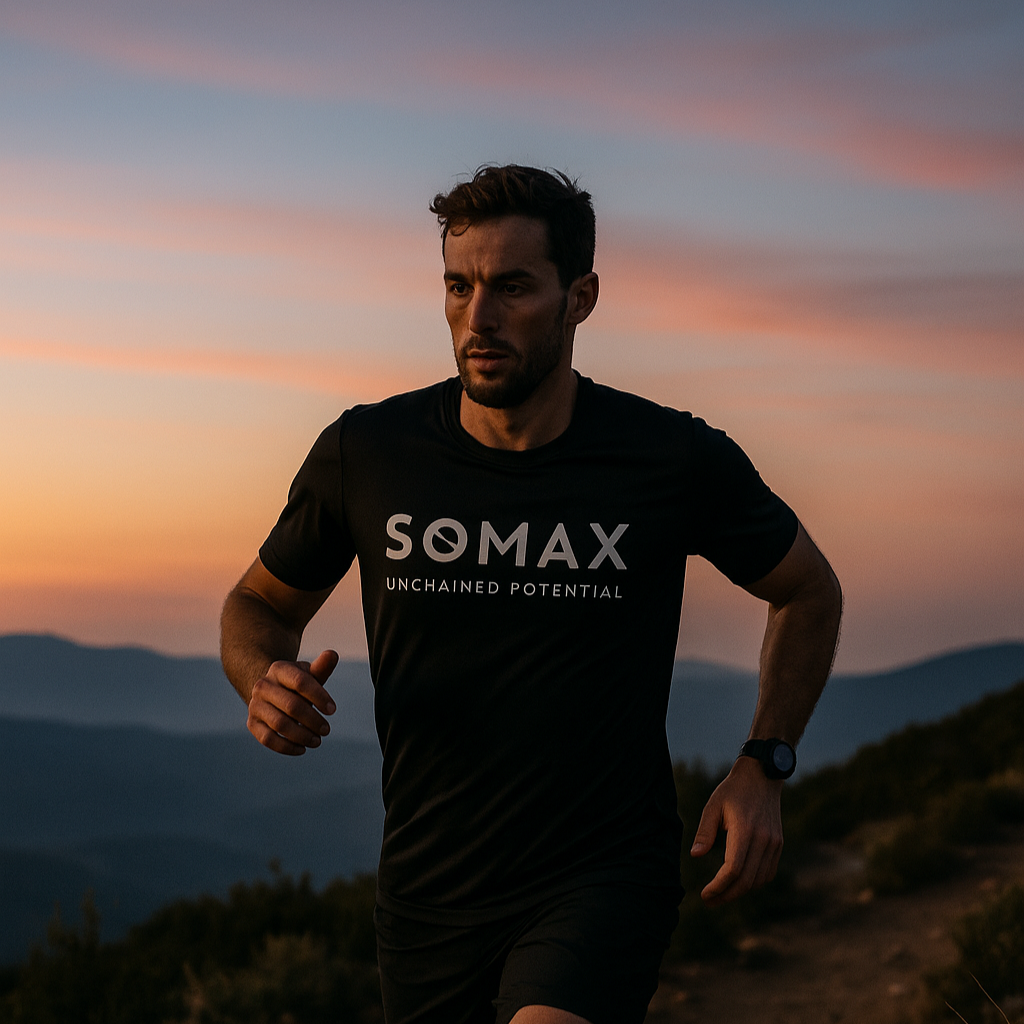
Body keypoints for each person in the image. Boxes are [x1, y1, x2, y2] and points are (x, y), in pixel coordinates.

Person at [220, 164, 843, 1024]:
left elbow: (808, 591)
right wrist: (261, 678)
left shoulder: (669, 458)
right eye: (458, 285)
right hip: (427, 892)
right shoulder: (367, 453)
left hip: (602, 874)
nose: (478, 317)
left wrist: (764, 763)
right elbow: (257, 606)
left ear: (580, 297)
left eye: (512, 287)